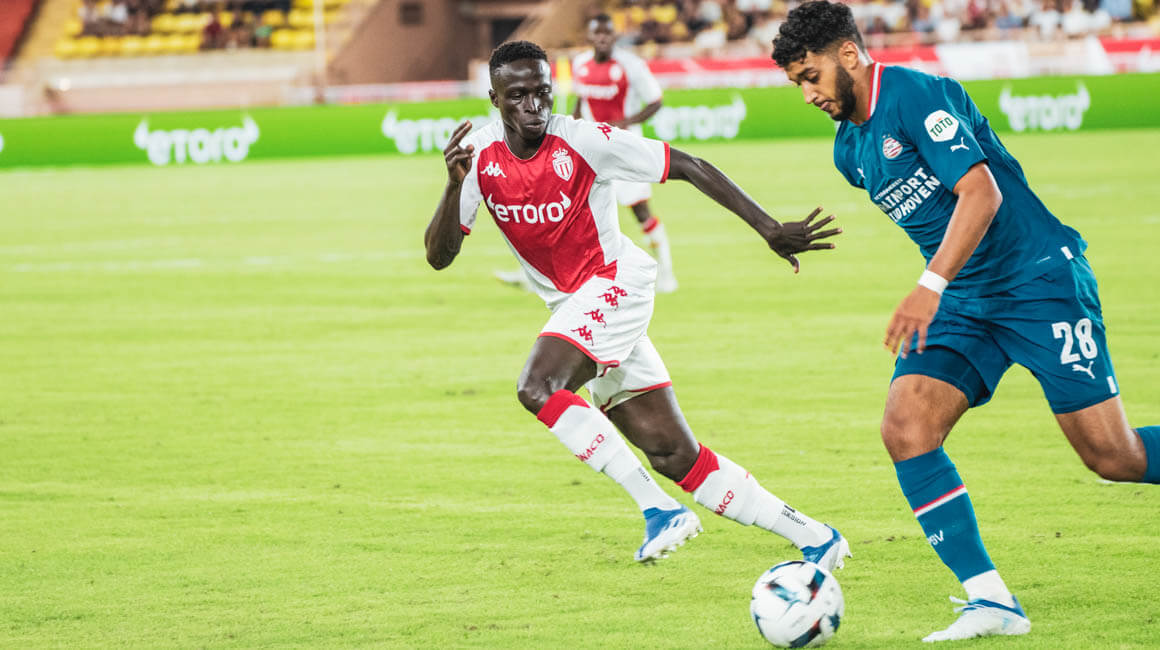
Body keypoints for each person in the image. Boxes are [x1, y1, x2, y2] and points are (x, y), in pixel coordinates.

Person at [771, 0, 1160, 642]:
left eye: (810, 76)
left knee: (1114, 457)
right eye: (796, 84)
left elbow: (982, 192)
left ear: (848, 54)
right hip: (964, 300)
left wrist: (929, 286)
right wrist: (944, 287)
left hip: (1038, 281)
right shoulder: (850, 150)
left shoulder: (917, 95)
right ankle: (991, 600)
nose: (808, 93)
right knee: (906, 427)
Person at [426, 40, 849, 569]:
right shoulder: (477, 158)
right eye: (518, 96)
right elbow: (439, 257)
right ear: (494, 99)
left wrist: (769, 229)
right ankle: (816, 536)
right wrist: (452, 187)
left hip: (614, 285)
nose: (533, 106)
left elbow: (688, 164)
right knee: (674, 455)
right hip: (577, 310)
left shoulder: (584, 140)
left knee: (538, 386)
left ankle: (659, 510)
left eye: (542, 92)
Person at [496, 14, 678, 294]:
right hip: (590, 151)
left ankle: (666, 272)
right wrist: (569, 131)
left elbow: (656, 101)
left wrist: (626, 122)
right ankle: (532, 275)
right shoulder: (581, 64)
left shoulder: (631, 65)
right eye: (597, 33)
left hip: (625, 150)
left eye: (607, 33)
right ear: (589, 36)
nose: (602, 38)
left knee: (641, 211)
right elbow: (581, 102)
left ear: (614, 36)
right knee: (560, 210)